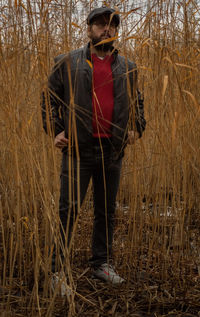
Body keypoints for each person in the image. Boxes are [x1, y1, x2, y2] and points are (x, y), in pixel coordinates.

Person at [42, 7, 146, 294]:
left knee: (106, 210)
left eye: (112, 26)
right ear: (89, 28)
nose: (106, 30)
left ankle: (101, 264)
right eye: (100, 24)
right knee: (68, 210)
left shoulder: (128, 66)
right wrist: (56, 130)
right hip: (78, 150)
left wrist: (137, 127)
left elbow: (137, 100)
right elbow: (48, 97)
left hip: (112, 150)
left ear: (116, 32)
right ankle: (56, 270)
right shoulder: (68, 62)